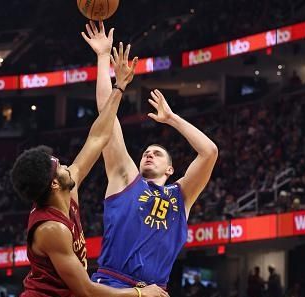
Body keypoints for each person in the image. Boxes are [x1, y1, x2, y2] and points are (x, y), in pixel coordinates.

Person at [11, 38, 168, 297]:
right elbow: (85, 290)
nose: (66, 165)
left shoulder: (67, 188)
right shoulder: (52, 229)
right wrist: (141, 294)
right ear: (53, 183)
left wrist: (118, 86)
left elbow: (97, 137)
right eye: (59, 166)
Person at [82, 21, 219, 289]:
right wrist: (102, 57)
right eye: (146, 152)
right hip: (112, 285)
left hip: (154, 292)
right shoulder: (125, 177)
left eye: (157, 154)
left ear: (170, 170)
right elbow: (105, 115)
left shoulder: (182, 196)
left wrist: (172, 119)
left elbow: (209, 152)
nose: (148, 155)